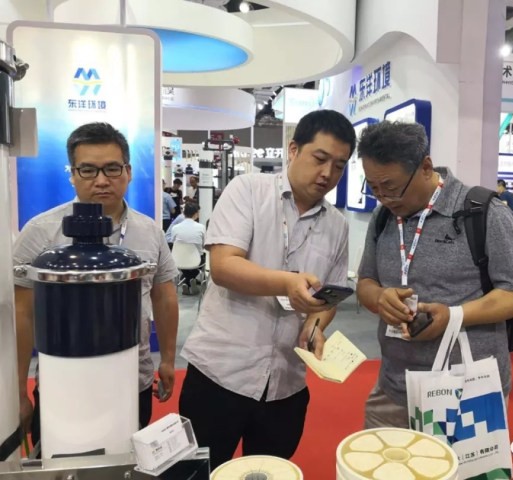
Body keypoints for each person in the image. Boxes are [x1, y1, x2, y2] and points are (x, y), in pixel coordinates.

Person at [179, 110, 356, 469]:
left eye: (339, 166)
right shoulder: (248, 190)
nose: (327, 173)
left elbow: (328, 298)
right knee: (200, 472)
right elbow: (224, 266)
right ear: (293, 150)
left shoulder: (337, 225)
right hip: (221, 373)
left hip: (286, 384)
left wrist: (315, 326)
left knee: (270, 471)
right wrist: (287, 282)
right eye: (320, 159)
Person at [355, 121, 513, 428]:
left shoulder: (482, 212)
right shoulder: (383, 218)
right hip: (394, 388)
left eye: (391, 187)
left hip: (466, 393)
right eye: (373, 188)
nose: (384, 198)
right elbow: (366, 282)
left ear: (426, 167)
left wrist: (454, 316)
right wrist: (380, 298)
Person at [13, 122, 179, 443]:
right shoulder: (41, 231)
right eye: (88, 170)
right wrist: (18, 390)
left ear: (128, 172)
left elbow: (164, 296)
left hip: (133, 379)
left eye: (112, 169)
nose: (101, 180)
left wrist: (169, 360)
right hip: (64, 382)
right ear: (72, 174)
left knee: (128, 459)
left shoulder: (150, 231)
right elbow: (22, 314)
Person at [168, 202, 206, 295]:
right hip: (196, 260)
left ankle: (187, 281)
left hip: (178, 260)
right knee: (202, 259)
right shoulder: (201, 227)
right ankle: (190, 280)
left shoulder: (175, 228)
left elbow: (173, 243)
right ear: (196, 213)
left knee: (185, 263)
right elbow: (204, 244)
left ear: (184, 213)